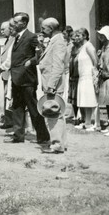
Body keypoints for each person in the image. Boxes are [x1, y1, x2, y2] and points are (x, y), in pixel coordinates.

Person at [0, 13, 49, 144]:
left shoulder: (31, 37)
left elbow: (41, 54)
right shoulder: (16, 38)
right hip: (16, 79)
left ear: (24, 23)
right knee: (17, 108)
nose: (13, 24)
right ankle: (18, 136)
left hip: (27, 80)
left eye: (16, 22)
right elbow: (12, 59)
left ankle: (43, 137)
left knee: (33, 108)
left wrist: (31, 62)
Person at [38, 17, 68, 153]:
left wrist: (51, 85)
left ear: (51, 28)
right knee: (57, 114)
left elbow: (58, 65)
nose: (42, 30)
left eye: (44, 28)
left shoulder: (58, 41)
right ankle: (61, 143)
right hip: (50, 83)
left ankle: (56, 144)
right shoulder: (54, 41)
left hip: (53, 84)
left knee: (52, 114)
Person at [73, 28, 98, 131]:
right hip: (82, 76)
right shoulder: (82, 47)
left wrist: (95, 75)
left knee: (90, 100)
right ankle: (86, 122)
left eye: (78, 36)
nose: (76, 38)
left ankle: (93, 123)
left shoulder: (88, 46)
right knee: (85, 100)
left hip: (89, 76)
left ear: (84, 36)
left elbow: (95, 61)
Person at [0, 20, 15, 129]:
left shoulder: (13, 40)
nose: (1, 31)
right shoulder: (7, 41)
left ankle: (10, 121)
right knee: (6, 98)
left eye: (3, 29)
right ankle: (8, 121)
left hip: (10, 74)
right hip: (5, 74)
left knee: (10, 98)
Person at [67, 30, 82, 125]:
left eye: (75, 38)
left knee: (79, 97)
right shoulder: (72, 48)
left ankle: (81, 116)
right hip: (72, 75)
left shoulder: (82, 48)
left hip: (79, 75)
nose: (73, 40)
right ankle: (76, 116)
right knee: (73, 98)